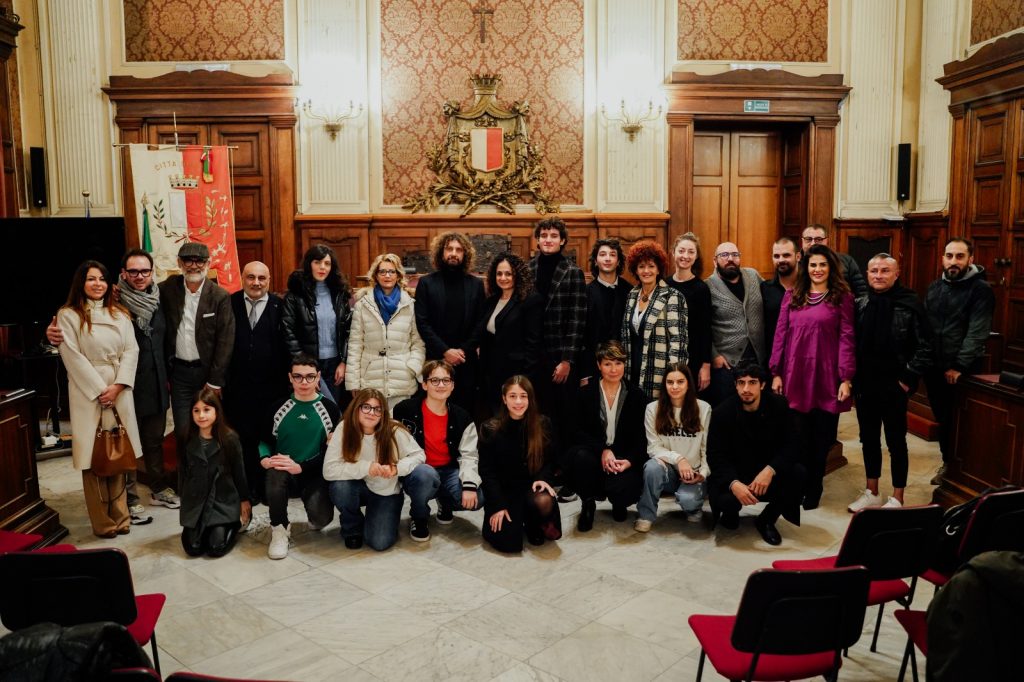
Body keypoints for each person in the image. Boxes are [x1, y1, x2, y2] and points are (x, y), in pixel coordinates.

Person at [49, 250, 178, 522]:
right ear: (123, 275)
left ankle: (156, 486)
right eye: (133, 272)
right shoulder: (116, 302)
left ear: (153, 273)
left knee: (153, 440)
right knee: (123, 442)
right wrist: (49, 335)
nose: (139, 276)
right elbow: (69, 338)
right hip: (123, 385)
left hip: (151, 381)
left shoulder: (162, 298)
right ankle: (129, 497)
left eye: (145, 271)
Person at [57, 260, 142, 538]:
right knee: (93, 457)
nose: (97, 284)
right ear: (81, 283)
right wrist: (99, 390)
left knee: (118, 452)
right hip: (87, 392)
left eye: (102, 279)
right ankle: (102, 521)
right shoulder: (68, 315)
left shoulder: (120, 313)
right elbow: (71, 355)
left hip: (119, 388)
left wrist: (117, 386)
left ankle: (121, 515)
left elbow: (132, 350)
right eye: (91, 279)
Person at [769, 244, 855, 510]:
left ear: (831, 267)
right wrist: (776, 372)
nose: (817, 270)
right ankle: (799, 485)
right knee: (797, 436)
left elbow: (847, 338)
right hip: (795, 373)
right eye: (813, 265)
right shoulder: (793, 295)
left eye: (822, 264)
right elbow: (780, 335)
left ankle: (814, 487)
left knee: (821, 437)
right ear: (806, 267)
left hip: (826, 375)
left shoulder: (842, 297)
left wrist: (846, 378)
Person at [849, 253, 932, 512]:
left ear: (896, 274)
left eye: (885, 270)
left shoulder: (910, 304)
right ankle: (872, 491)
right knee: (869, 439)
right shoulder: (860, 303)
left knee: (896, 442)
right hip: (865, 385)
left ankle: (897, 497)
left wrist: (907, 380)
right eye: (874, 270)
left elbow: (925, 347)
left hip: (894, 385)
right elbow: (851, 343)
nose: (878, 275)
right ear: (867, 274)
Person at [706, 362, 804, 546]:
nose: (746, 389)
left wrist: (771, 470)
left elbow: (792, 445)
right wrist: (734, 483)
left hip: (765, 471)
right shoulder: (722, 412)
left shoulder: (779, 405)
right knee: (726, 500)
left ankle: (766, 520)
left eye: (752, 382)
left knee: (798, 473)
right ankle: (730, 514)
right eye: (741, 382)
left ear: (763, 385)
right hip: (736, 473)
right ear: (735, 385)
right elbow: (715, 455)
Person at [160, 242, 235, 477]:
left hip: (208, 376)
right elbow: (139, 292)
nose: (194, 265)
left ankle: (214, 477)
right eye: (188, 260)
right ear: (179, 263)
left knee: (211, 428)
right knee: (183, 430)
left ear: (208, 263)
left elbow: (226, 339)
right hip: (180, 374)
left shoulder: (220, 296)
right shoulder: (166, 290)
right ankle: (188, 480)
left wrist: (215, 381)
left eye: (199, 260)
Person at [924, 237, 995, 484]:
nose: (954, 261)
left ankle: (958, 469)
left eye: (960, 256)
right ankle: (948, 463)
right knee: (943, 419)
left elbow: (978, 331)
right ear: (942, 258)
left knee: (959, 423)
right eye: (950, 256)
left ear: (971, 259)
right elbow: (926, 327)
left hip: (960, 370)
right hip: (934, 367)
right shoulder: (935, 287)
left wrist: (959, 366)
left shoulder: (981, 290)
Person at [259, 354, 340, 560]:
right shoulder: (278, 407)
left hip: (312, 472)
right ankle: (279, 529)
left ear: (318, 377)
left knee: (321, 520)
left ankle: (313, 509)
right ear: (290, 378)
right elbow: (263, 441)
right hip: (284, 470)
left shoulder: (330, 410)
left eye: (310, 377)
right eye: (298, 377)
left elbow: (332, 452)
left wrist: (302, 467)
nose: (304, 382)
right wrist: (265, 458)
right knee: (275, 474)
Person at [323, 388, 425, 551]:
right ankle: (352, 528)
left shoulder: (394, 430)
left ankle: (380, 517)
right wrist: (366, 467)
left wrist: (396, 468)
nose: (371, 413)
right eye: (366, 407)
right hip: (357, 487)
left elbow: (419, 455)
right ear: (356, 408)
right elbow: (329, 470)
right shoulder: (344, 428)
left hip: (385, 491)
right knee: (340, 487)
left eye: (377, 409)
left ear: (383, 413)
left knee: (379, 542)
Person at [393, 360, 483, 542]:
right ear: (424, 384)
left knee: (478, 498)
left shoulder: (462, 417)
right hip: (419, 472)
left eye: (446, 381)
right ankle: (419, 516)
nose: (441, 385)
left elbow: (469, 455)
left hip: (449, 471)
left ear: (452, 386)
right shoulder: (404, 410)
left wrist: (469, 486)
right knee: (425, 474)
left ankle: (446, 501)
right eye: (434, 380)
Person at [563, 341, 646, 532]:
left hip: (622, 456)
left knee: (625, 490)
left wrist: (629, 461)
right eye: (608, 364)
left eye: (618, 363)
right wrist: (602, 449)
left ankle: (619, 503)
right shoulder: (585, 393)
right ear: (599, 365)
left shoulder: (637, 396)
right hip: (594, 453)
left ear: (625, 365)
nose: (613, 369)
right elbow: (575, 432)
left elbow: (641, 439)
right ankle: (588, 504)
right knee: (580, 458)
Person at [225, 261, 289, 504]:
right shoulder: (229, 303)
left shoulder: (279, 306)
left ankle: (268, 487)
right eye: (251, 277)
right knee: (243, 439)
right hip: (237, 389)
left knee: (268, 438)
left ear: (269, 280)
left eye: (262, 278)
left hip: (272, 390)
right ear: (242, 278)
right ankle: (247, 490)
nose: (256, 283)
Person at [479, 375, 561, 552]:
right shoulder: (490, 429)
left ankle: (534, 523)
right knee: (509, 544)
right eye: (512, 396)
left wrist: (543, 478)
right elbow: (487, 473)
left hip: (531, 487)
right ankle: (517, 519)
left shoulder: (543, 423)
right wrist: (498, 505)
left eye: (523, 396)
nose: (518, 401)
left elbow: (550, 460)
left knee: (543, 500)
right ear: (504, 399)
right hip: (504, 491)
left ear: (530, 399)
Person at [527, 217, 586, 451]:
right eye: (544, 236)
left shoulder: (573, 272)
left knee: (563, 414)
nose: (548, 240)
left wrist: (567, 360)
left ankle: (563, 466)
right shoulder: (526, 269)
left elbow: (577, 319)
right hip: (533, 355)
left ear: (562, 240)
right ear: (538, 240)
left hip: (560, 357)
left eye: (553, 236)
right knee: (536, 413)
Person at [635, 363, 712, 532]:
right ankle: (646, 515)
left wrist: (703, 474)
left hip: (693, 472)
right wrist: (679, 459)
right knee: (652, 467)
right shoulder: (652, 409)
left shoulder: (703, 408)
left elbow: (706, 448)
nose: (675, 387)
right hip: (668, 470)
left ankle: (693, 506)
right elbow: (653, 448)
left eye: (680, 382)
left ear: (688, 384)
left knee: (689, 501)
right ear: (664, 384)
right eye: (670, 382)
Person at [413, 232, 485, 412]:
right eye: (449, 249)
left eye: (459, 250)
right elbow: (422, 322)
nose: (454, 253)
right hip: (435, 359)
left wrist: (461, 351)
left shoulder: (475, 284)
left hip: (466, 362)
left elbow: (481, 322)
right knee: (434, 409)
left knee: (465, 411)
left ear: (465, 254)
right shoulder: (426, 283)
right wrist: (445, 351)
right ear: (441, 252)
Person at [346, 253, 425, 409]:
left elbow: (418, 342)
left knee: (399, 428)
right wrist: (353, 381)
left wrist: (412, 367)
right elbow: (355, 345)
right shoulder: (363, 304)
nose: (387, 275)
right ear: (376, 275)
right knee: (372, 427)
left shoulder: (410, 304)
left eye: (392, 271)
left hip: (401, 377)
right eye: (382, 271)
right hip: (370, 378)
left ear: (398, 275)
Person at [179, 388, 250, 558]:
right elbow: (183, 472)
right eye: (196, 411)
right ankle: (201, 529)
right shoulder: (186, 438)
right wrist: (185, 503)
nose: (201, 416)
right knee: (192, 549)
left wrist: (244, 501)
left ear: (217, 411)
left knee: (216, 548)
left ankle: (232, 524)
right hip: (197, 503)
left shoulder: (229, 438)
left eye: (206, 410)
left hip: (222, 501)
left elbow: (239, 472)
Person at [281, 244, 353, 407]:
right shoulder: (295, 295)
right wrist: (306, 369)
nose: (322, 267)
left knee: (333, 410)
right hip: (308, 365)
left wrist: (344, 361)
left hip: (335, 365)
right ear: (309, 264)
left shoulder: (339, 294)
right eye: (317, 262)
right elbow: (288, 334)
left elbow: (348, 330)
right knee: (316, 410)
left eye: (327, 263)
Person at [473, 252, 543, 415]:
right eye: (499, 273)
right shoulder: (491, 300)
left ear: (517, 275)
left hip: (516, 374)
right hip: (490, 374)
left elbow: (534, 343)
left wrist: (525, 378)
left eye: (508, 273)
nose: (503, 277)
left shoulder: (531, 300)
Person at [620, 240, 688, 400]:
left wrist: (674, 378)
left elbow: (678, 341)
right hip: (632, 370)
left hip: (658, 372)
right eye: (641, 266)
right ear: (635, 270)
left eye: (651, 266)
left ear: (659, 269)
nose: (646, 271)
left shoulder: (672, 296)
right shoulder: (631, 296)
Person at [705, 242, 764, 407]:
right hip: (727, 362)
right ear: (715, 261)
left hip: (757, 358)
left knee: (756, 410)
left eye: (735, 255)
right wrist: (714, 354)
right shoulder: (707, 286)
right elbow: (702, 326)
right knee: (727, 411)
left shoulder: (753, 276)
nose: (730, 259)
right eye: (724, 255)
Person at [580, 238, 631, 381]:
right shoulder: (586, 293)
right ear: (595, 261)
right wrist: (585, 373)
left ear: (619, 261)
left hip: (624, 366)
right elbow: (582, 337)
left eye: (612, 254)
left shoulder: (630, 291)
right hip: (593, 366)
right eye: (602, 254)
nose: (607, 258)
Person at [667, 233, 712, 392]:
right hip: (668, 357)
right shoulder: (664, 285)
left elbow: (706, 330)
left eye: (691, 252)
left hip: (693, 358)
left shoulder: (702, 289)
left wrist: (706, 365)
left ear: (696, 256)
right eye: (681, 251)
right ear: (673, 252)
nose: (685, 256)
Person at [800, 224, 868, 298]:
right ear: (802, 241)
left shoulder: (846, 261)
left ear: (826, 241)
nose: (813, 243)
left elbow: (861, 293)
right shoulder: (794, 263)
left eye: (818, 239)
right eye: (808, 239)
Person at [761, 236, 801, 358]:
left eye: (786, 255)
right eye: (776, 256)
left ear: (798, 256)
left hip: (802, 355)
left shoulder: (809, 287)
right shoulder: (764, 288)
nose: (781, 260)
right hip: (773, 357)